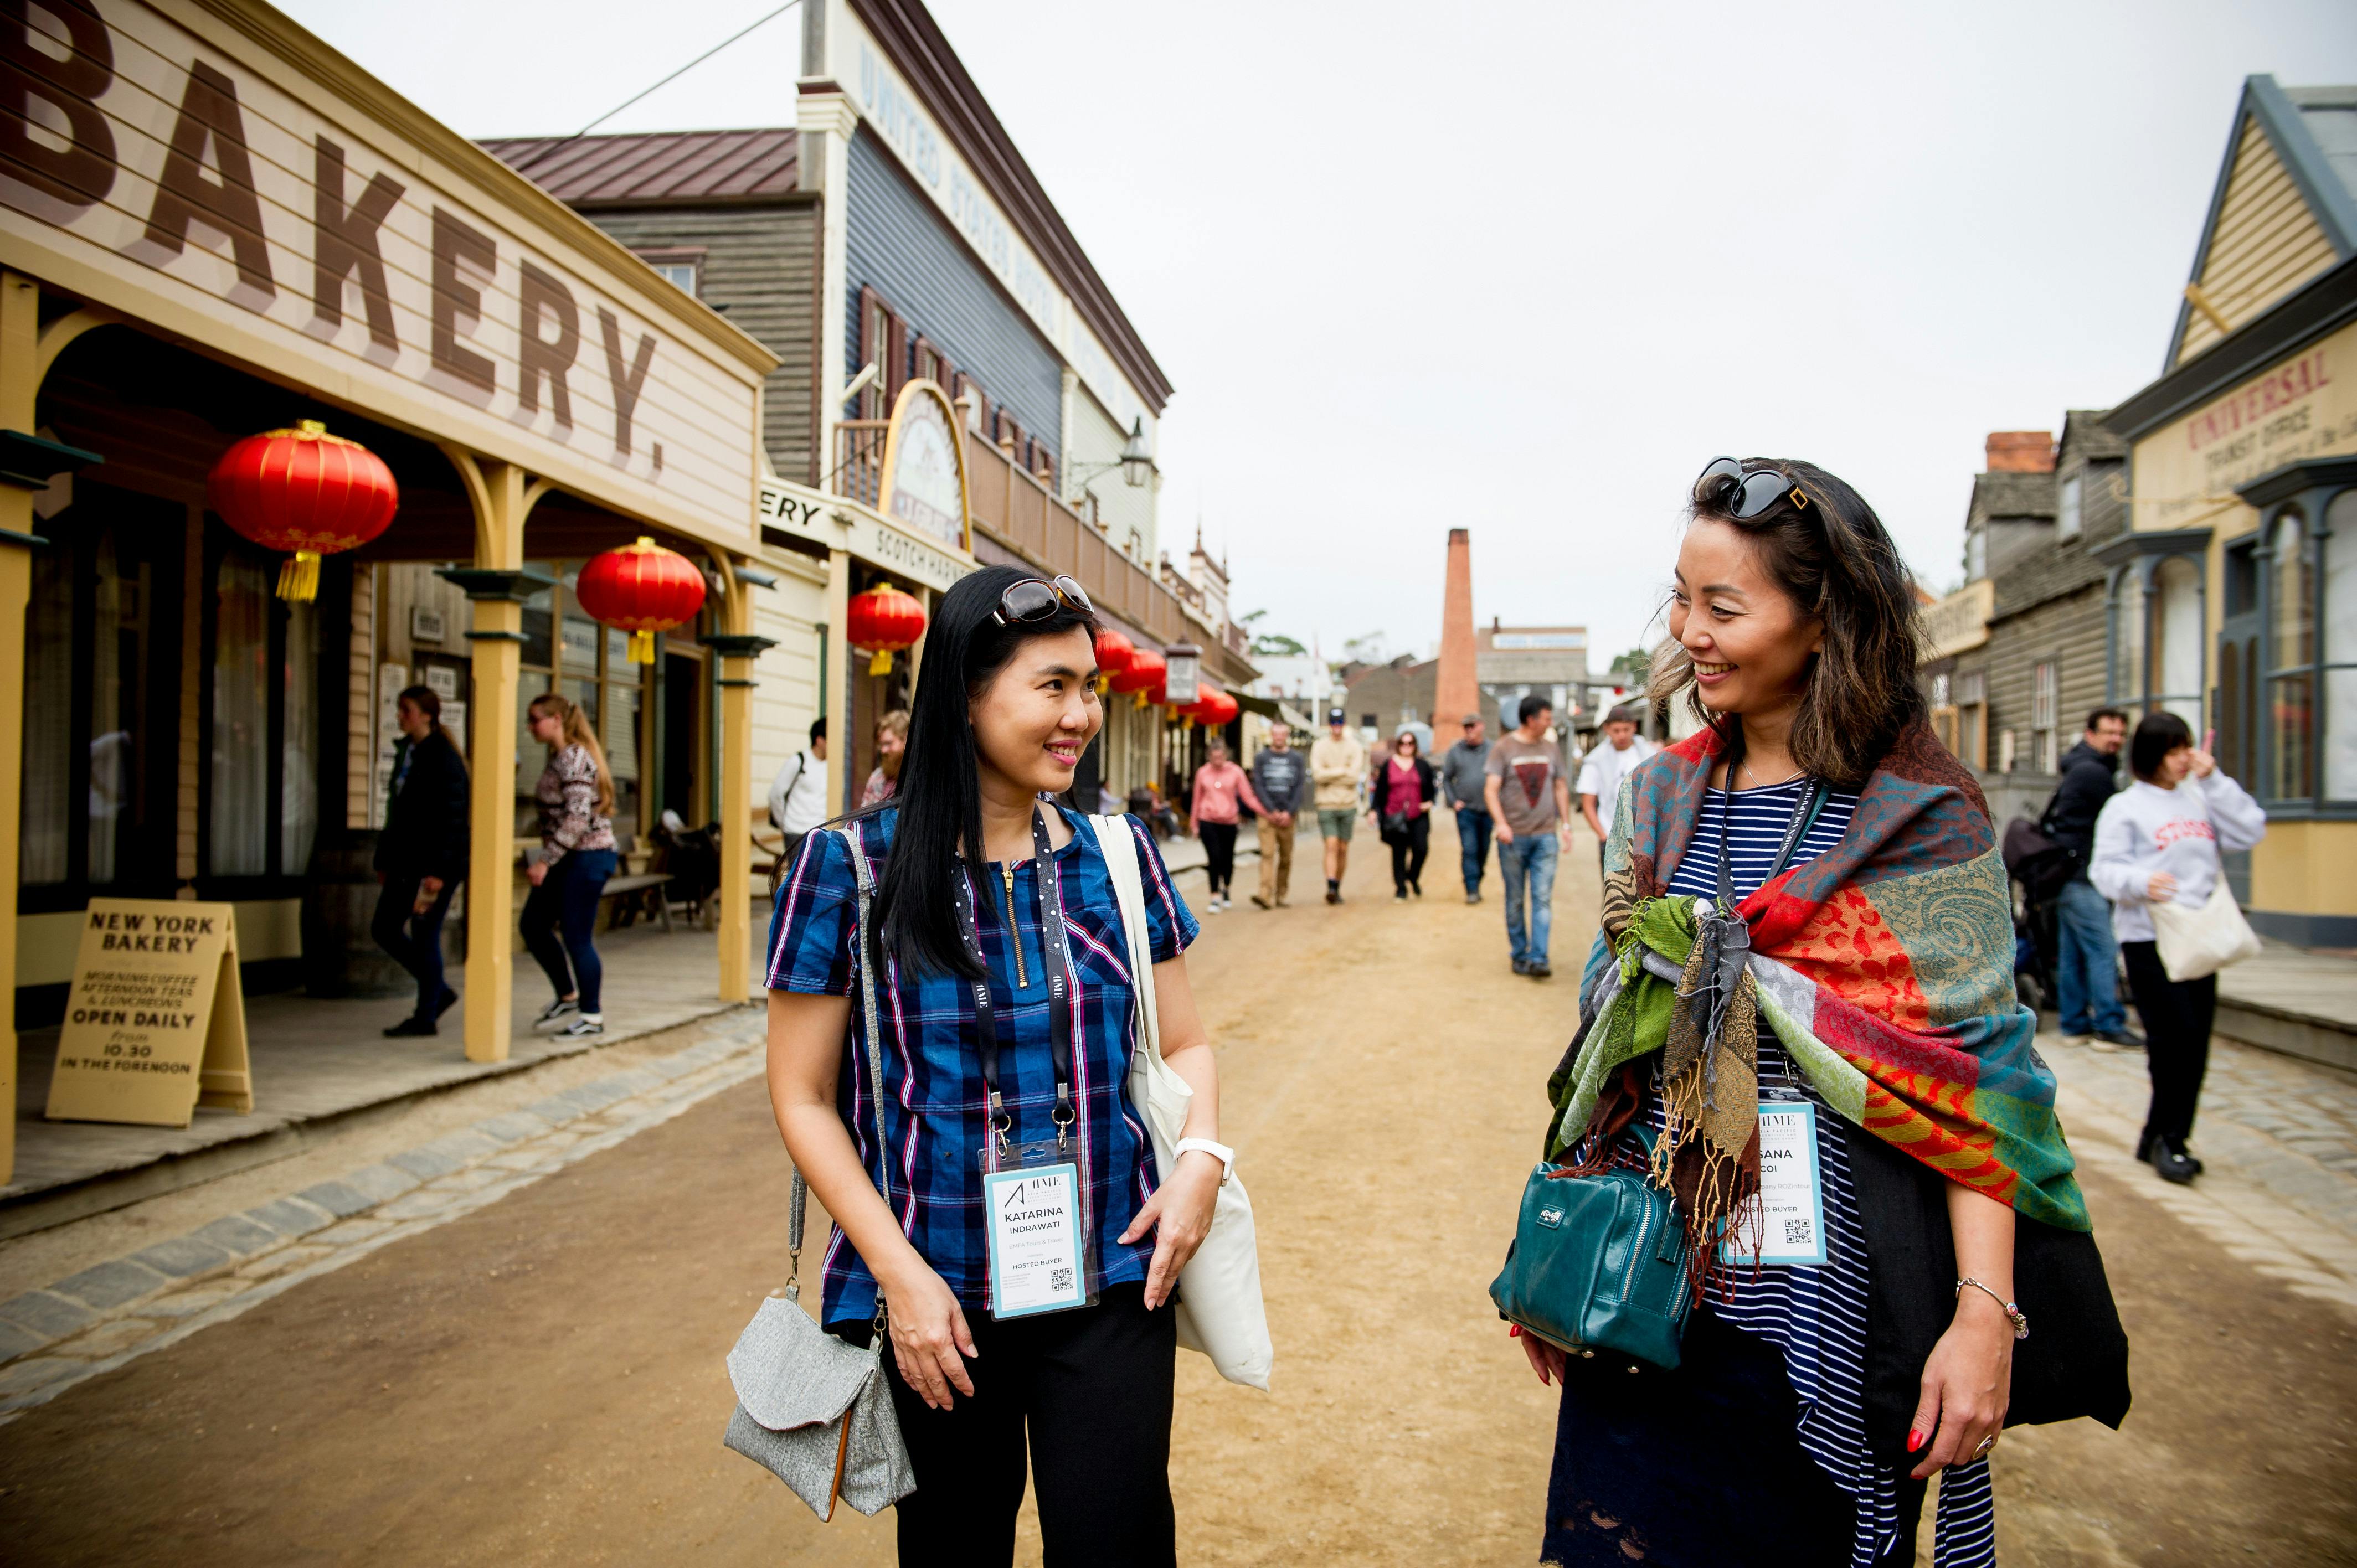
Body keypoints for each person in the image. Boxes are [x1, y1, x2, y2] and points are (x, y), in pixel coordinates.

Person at [1526, 456, 2114, 1568]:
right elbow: (1611, 1045)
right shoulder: (1657, 796)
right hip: (1651, 1283)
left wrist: (1983, 1311)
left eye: (1724, 607)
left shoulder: (1920, 819)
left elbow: (1981, 1085)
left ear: (1824, 622)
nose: (1689, 633)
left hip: (1835, 1303)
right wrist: (1563, 1249)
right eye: (1681, 600)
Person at [765, 565, 1229, 1566]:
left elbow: (1185, 1040)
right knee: (954, 1549)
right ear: (966, 695)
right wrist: (899, 1276)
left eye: (1088, 687)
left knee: (1118, 1547)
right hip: (935, 1292)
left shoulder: (1119, 857)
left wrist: (1201, 1160)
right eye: (1051, 686)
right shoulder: (848, 868)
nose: (1081, 715)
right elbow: (802, 1096)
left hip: (1113, 1273)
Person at [2090, 711, 2266, 1184]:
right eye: (2173, 750)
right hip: (2149, 937)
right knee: (2174, 1040)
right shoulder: (2126, 807)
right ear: (2152, 755)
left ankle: (2163, 1137)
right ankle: (2170, 1140)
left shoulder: (2200, 798)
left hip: (2197, 937)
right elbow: (2103, 871)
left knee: (2196, 1042)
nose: (2183, 758)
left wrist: (2215, 781)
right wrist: (2141, 881)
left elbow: (2251, 830)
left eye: (2186, 747)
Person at [2040, 709, 2143, 1050]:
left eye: (2120, 734)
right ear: (2090, 735)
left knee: (2073, 953)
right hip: (2083, 875)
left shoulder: (2081, 767)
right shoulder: (2093, 772)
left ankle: (2074, 1025)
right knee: (2102, 950)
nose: (2116, 740)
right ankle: (2108, 1026)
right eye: (2109, 733)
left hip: (2069, 874)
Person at [522, 692, 619, 1038]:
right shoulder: (560, 757)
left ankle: (592, 1016)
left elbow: (577, 818)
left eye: (535, 719)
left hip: (587, 857)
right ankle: (568, 997)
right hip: (568, 858)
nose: (530, 727)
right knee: (533, 925)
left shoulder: (574, 758)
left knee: (577, 936)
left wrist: (544, 862)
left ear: (557, 720)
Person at [372, 685, 468, 1037]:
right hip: (405, 861)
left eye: (407, 710)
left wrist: (439, 872)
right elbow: (397, 814)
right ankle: (437, 990)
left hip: (433, 865)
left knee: (425, 932)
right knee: (384, 928)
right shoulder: (408, 752)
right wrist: (384, 859)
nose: (401, 716)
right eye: (399, 709)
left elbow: (452, 818)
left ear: (427, 715)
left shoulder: (442, 757)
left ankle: (425, 1015)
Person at [1484, 696, 1572, 977]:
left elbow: (1560, 787)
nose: (1550, 723)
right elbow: (1490, 790)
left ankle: (1539, 958)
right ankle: (1520, 954)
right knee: (1515, 900)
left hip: (1545, 837)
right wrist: (1502, 825)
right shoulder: (1504, 748)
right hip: (1513, 839)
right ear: (1531, 720)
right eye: (1546, 718)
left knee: (1542, 898)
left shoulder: (1551, 748)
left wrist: (1566, 824)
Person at [1575, 704, 1658, 891]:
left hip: (1646, 836)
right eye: (1617, 730)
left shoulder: (1650, 755)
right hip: (1612, 836)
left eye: (1626, 730)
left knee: (1648, 892)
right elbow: (1588, 802)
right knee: (1615, 892)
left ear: (1634, 727)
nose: (1622, 735)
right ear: (1607, 730)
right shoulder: (1596, 760)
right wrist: (1603, 835)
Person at [1189, 737, 1264, 912]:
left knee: (1227, 858)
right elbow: (1197, 799)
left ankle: (1227, 887)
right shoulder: (1203, 773)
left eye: (1221, 757)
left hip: (1229, 821)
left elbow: (1248, 796)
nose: (1218, 761)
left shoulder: (1236, 772)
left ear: (1226, 756)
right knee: (1214, 857)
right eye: (1214, 758)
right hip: (1208, 820)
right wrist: (1194, 824)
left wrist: (1264, 812)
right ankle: (1214, 896)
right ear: (1209, 757)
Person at [1247, 721, 1310, 909]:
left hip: (1289, 816)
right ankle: (1265, 895)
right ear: (1271, 735)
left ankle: (1281, 895)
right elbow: (1258, 785)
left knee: (1286, 857)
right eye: (1276, 734)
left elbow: (1299, 786)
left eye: (1282, 734)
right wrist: (1271, 810)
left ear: (1287, 736)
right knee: (1267, 854)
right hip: (1267, 815)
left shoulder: (1296, 758)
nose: (1279, 737)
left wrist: (1289, 812)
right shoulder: (1261, 757)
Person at [1372, 724, 1437, 901]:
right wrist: (1374, 811)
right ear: (1398, 745)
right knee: (1399, 852)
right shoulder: (1389, 765)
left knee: (1421, 849)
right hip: (1395, 815)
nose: (1406, 747)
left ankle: (1413, 877)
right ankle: (1401, 887)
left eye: (1410, 743)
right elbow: (1380, 791)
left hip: (1418, 815)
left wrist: (1430, 802)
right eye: (1403, 743)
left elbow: (1431, 789)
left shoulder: (1422, 765)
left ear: (1415, 746)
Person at [1310, 707, 1367, 905]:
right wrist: (1343, 771)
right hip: (1326, 804)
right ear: (1329, 725)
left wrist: (1331, 773)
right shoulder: (1319, 746)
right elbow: (1318, 775)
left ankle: (1338, 884)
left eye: (1340, 723)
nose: (1337, 726)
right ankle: (1331, 886)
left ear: (1344, 724)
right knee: (1331, 845)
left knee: (1343, 848)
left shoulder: (1354, 747)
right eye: (1333, 723)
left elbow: (1354, 777)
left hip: (1347, 804)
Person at [1439, 711, 1494, 905]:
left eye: (1473, 726)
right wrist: (1453, 801)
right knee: (1470, 849)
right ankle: (1471, 889)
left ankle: (1477, 879)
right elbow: (1447, 779)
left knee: (1483, 849)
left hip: (1488, 810)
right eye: (1466, 727)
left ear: (1482, 726)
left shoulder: (1492, 750)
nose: (1469, 730)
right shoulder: (1456, 751)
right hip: (1466, 811)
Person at [769, 718, 830, 860]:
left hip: (822, 832)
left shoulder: (833, 764)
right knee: (798, 873)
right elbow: (776, 794)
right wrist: (785, 823)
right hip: (796, 833)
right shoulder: (799, 760)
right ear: (820, 740)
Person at [862, 709, 910, 807]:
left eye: (888, 743)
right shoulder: (877, 778)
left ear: (906, 739)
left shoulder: (917, 780)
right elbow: (864, 815)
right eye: (881, 744)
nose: (883, 750)